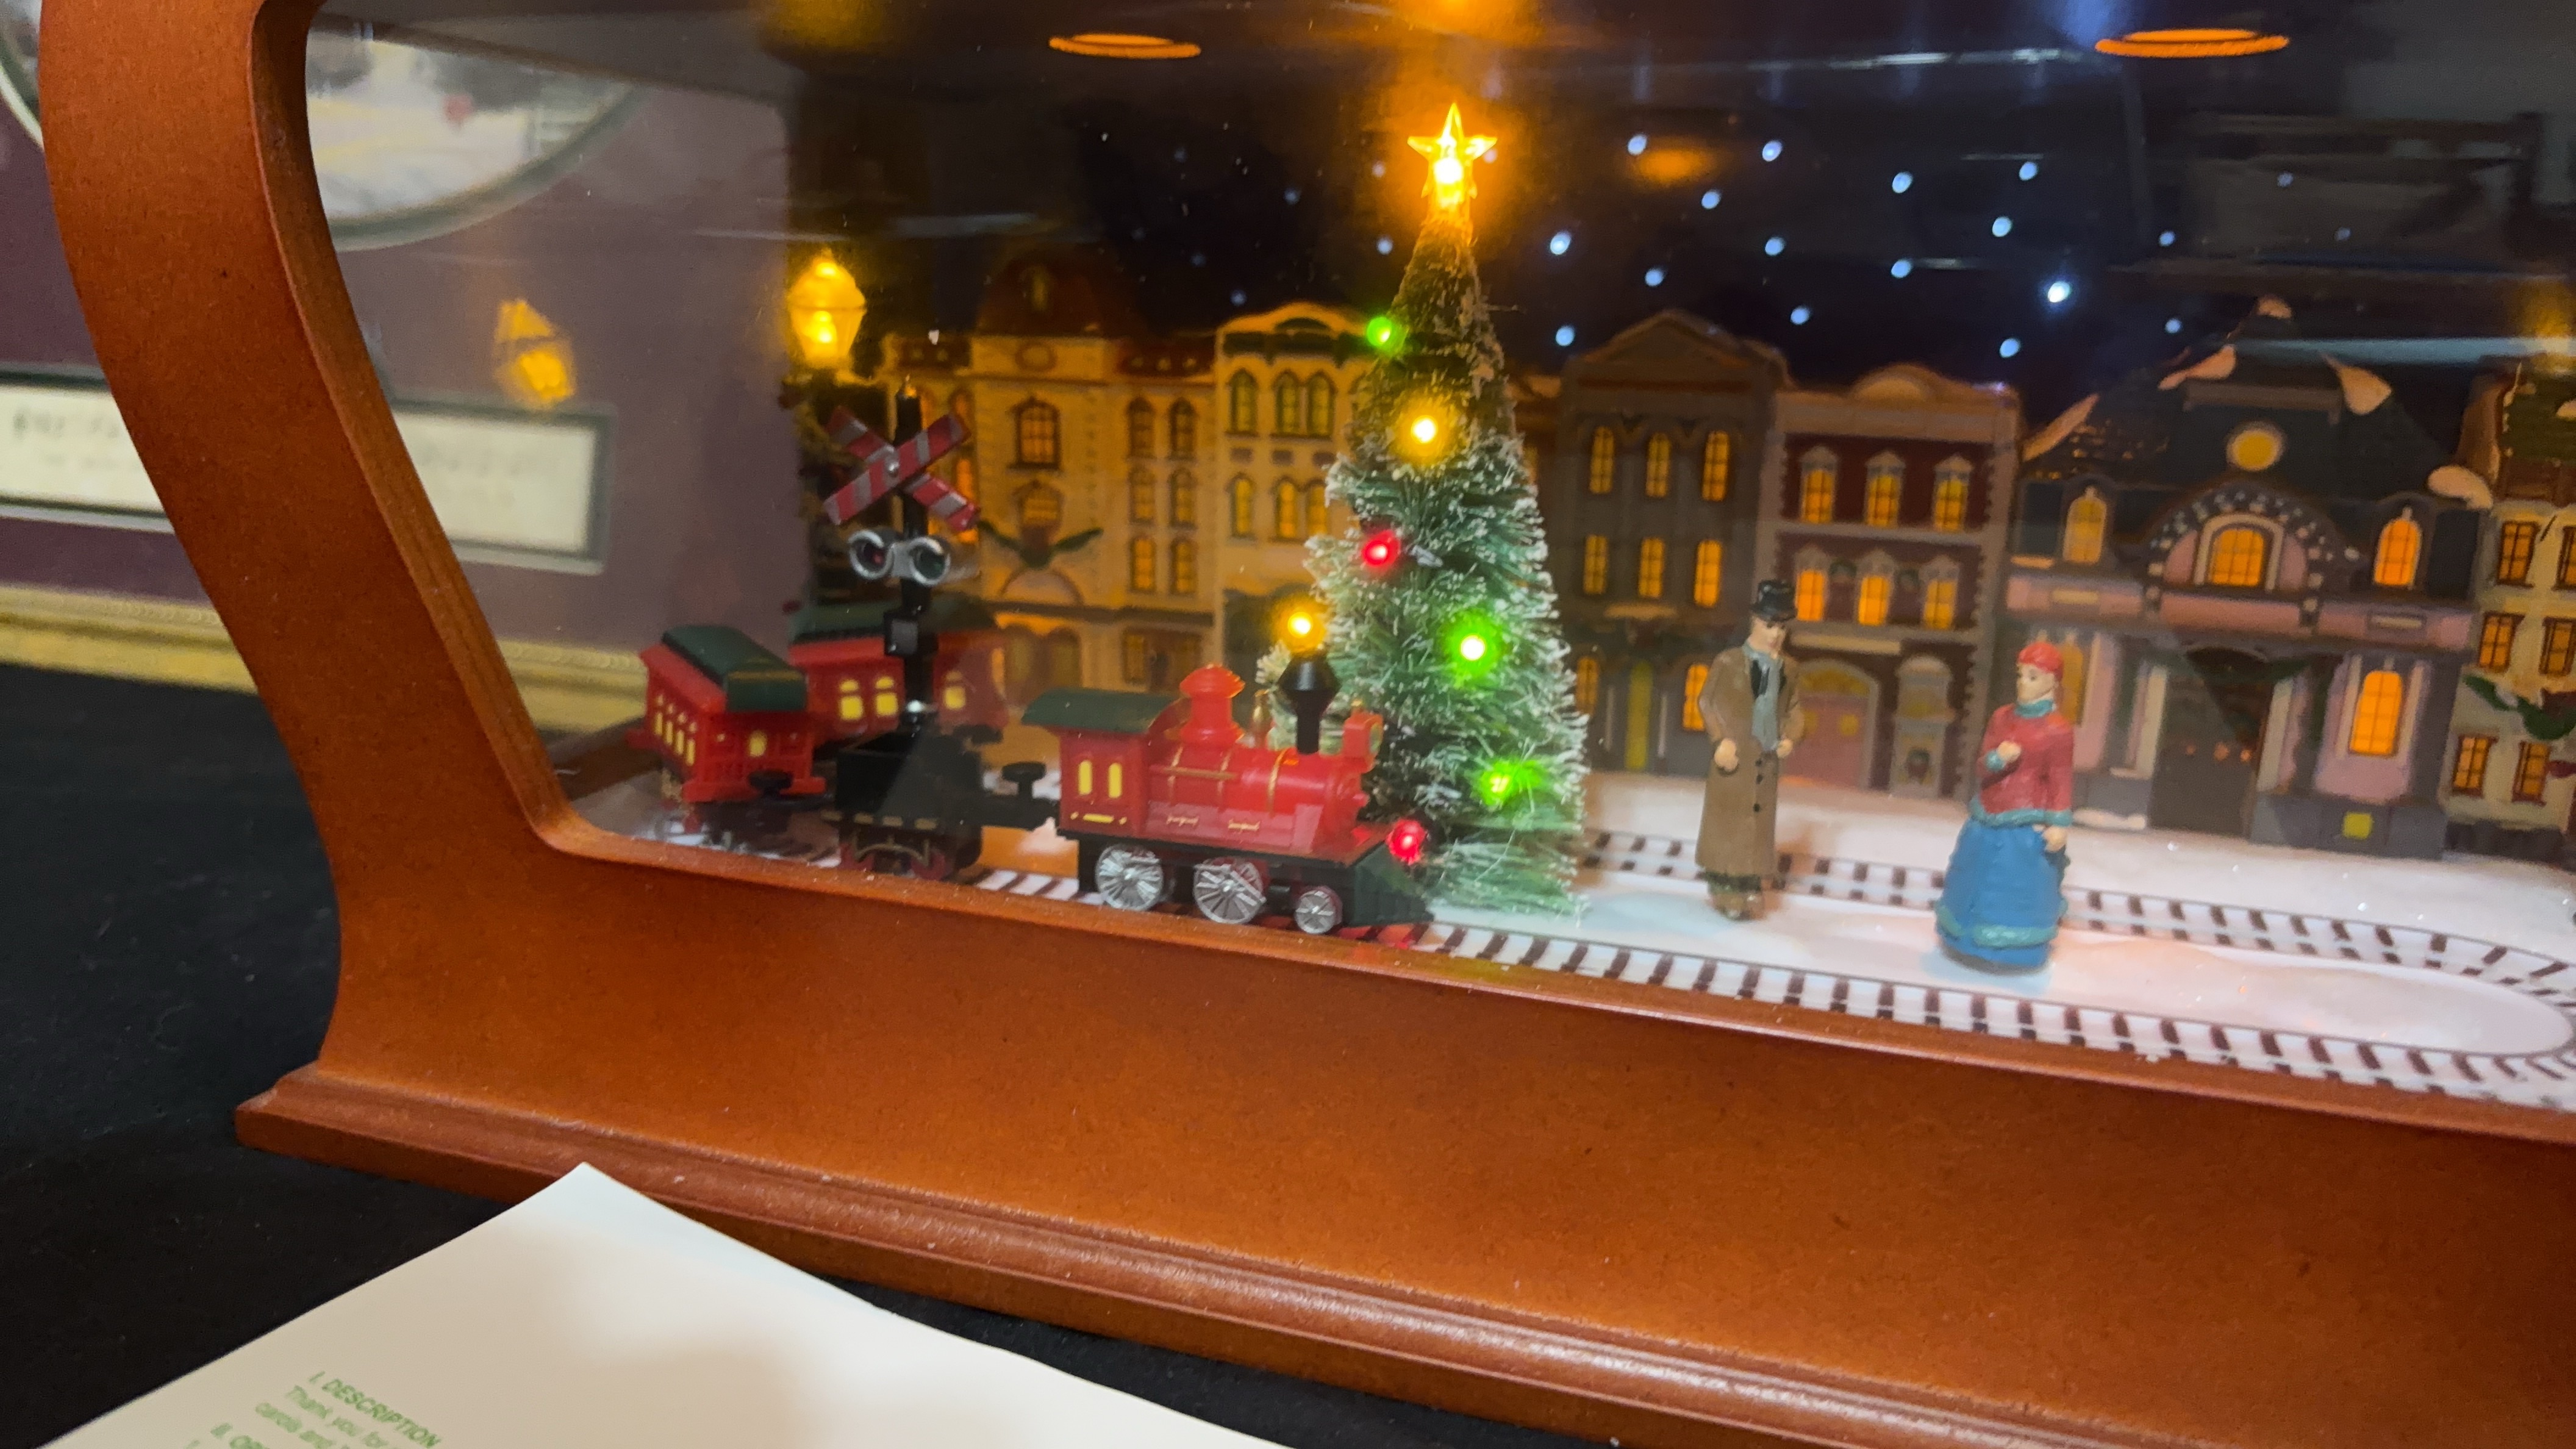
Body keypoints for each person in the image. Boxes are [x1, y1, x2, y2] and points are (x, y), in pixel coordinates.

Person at [1936, 640, 2077, 970]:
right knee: (1972, 874)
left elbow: (2060, 778)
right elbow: (1981, 766)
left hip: (2024, 824)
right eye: (2020, 674)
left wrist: (2059, 824)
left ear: (2052, 681)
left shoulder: (2058, 730)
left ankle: (2015, 949)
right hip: (1987, 814)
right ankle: (1962, 938)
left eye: (2033, 676)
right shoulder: (2001, 718)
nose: (2023, 683)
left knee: (2017, 883)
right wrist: (1998, 758)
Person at [1694, 580, 1805, 920]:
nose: (1775, 634)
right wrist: (1720, 739)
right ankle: (1724, 885)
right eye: (1769, 625)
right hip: (1735, 759)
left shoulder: (1789, 668)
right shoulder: (1729, 662)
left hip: (1765, 762)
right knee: (1728, 822)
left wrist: (1791, 737)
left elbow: (1794, 709)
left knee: (1758, 826)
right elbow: (1707, 701)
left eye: (1782, 627)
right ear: (1754, 621)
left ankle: (1749, 885)